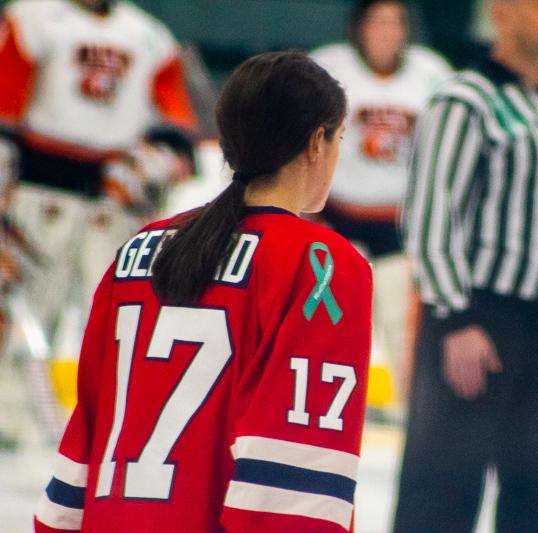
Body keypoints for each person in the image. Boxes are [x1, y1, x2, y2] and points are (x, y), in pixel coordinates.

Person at [33, 51, 373, 533]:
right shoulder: (321, 264)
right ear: (317, 142)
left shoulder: (137, 250)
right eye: (339, 138)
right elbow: (292, 475)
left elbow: (86, 431)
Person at [393, 0, 538, 531]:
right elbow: (431, 216)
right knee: (443, 487)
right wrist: (455, 319)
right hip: (480, 319)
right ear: (502, 12)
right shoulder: (464, 101)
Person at [0, 0, 197, 346]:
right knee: (22, 325)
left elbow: (177, 129)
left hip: (114, 203)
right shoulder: (32, 16)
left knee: (117, 325)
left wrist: (162, 160)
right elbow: (5, 106)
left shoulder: (150, 36)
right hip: (38, 195)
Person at [311, 0, 451, 403]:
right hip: (336, 217)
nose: (388, 31)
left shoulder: (432, 74)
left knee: (401, 324)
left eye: (396, 22)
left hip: (400, 223)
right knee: (332, 322)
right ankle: (322, 406)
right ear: (359, 27)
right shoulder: (329, 66)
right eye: (378, 22)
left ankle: (415, 411)